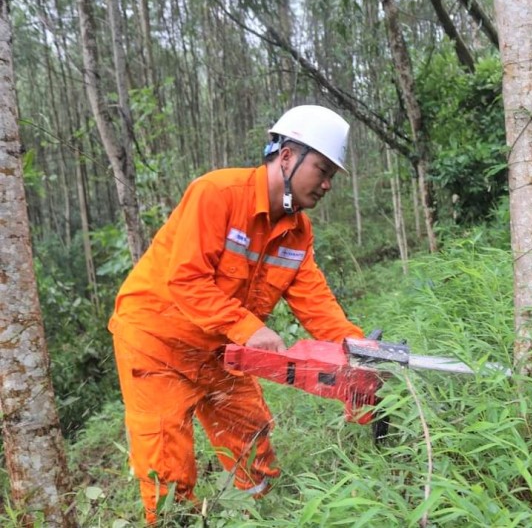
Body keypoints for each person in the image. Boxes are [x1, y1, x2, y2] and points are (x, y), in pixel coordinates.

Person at [108, 105, 364, 524]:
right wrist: (250, 328)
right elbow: (186, 280)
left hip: (221, 350)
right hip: (157, 343)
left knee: (251, 438)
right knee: (168, 469)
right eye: (321, 169)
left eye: (332, 174)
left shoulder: (299, 231)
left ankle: (264, 516)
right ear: (286, 156)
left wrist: (357, 347)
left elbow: (316, 303)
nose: (327, 184)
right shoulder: (217, 193)